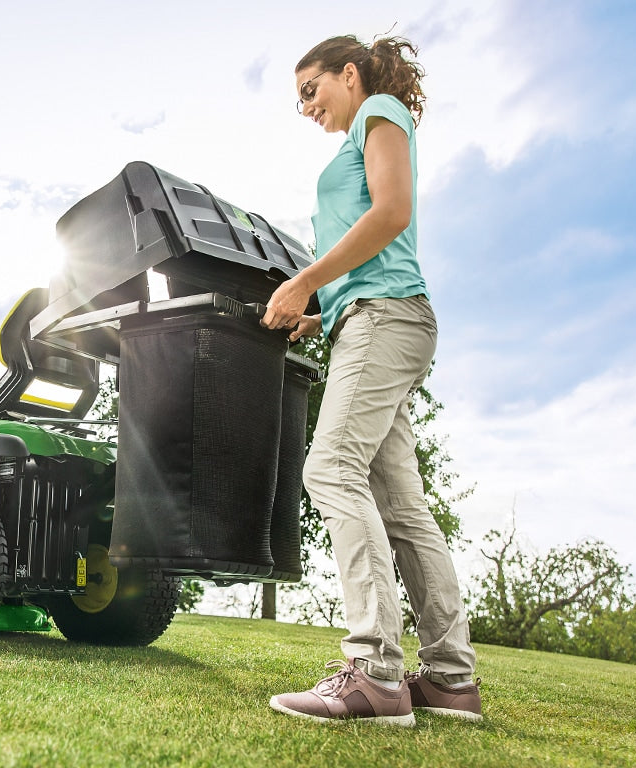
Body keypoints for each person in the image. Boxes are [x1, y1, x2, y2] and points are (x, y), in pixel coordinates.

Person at [260, 34, 480, 726]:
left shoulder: (379, 111)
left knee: (329, 469)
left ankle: (376, 672)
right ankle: (450, 680)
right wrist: (321, 311)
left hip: (385, 318)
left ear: (349, 74)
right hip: (374, 316)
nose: (306, 107)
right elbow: (368, 247)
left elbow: (392, 213)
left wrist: (304, 281)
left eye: (311, 90)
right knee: (401, 504)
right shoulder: (362, 126)